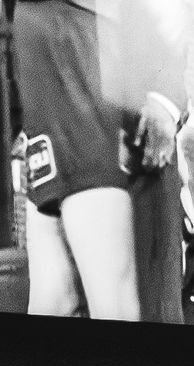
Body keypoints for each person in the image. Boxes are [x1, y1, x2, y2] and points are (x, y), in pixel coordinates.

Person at [10, 0, 183, 321]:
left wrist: (165, 94)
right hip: (66, 38)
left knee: (67, 298)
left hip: (68, 36)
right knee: (91, 302)